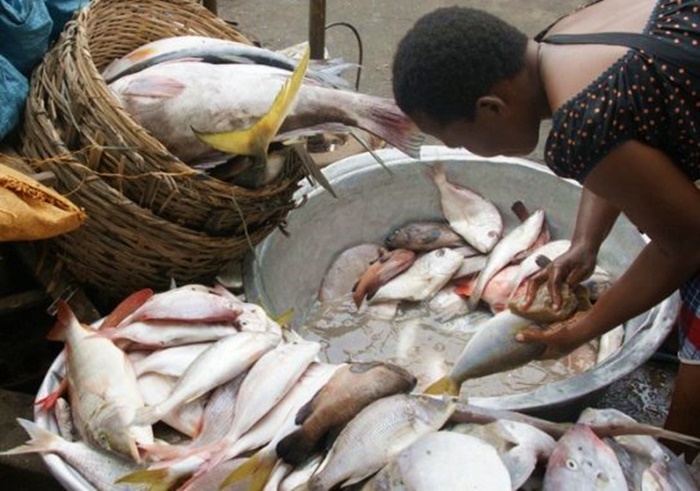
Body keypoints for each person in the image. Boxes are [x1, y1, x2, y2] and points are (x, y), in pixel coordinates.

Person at [391, 0, 700, 457]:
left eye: (461, 141)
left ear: (491, 108)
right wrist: (585, 243)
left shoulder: (585, 122)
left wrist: (584, 328)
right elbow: (620, 135)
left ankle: (677, 454)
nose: (474, 154)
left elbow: (686, 245)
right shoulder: (562, 40)